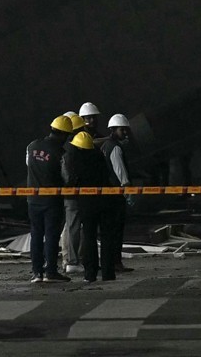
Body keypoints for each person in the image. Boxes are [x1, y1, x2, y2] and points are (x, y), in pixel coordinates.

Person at [25, 116, 74, 283]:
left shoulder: (32, 146)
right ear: (63, 134)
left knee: (36, 234)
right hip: (52, 201)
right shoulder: (60, 153)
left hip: (32, 199)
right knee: (52, 235)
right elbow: (66, 177)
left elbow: (29, 165)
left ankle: (36, 273)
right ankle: (51, 272)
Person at [61, 130, 112, 282]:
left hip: (86, 203)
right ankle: (109, 273)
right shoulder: (98, 156)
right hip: (104, 200)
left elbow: (71, 180)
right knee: (106, 237)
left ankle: (90, 274)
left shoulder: (76, 159)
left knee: (89, 237)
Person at [99, 113, 133, 274]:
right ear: (113, 130)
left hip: (107, 194)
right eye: (122, 130)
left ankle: (110, 262)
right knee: (116, 230)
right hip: (116, 194)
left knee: (108, 230)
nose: (125, 133)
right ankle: (116, 262)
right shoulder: (115, 148)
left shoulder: (105, 145)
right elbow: (121, 173)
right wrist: (127, 191)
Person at [61, 113, 88, 274]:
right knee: (74, 227)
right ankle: (72, 260)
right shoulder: (71, 151)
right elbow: (69, 177)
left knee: (70, 227)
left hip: (68, 194)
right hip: (73, 195)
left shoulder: (66, 149)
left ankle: (69, 259)